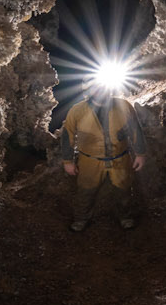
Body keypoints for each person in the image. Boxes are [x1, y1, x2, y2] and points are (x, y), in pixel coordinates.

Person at [61, 79, 146, 231]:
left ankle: (125, 217)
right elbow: (68, 136)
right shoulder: (77, 110)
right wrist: (68, 161)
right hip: (89, 161)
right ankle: (81, 219)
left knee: (124, 190)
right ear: (88, 91)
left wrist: (140, 153)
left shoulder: (123, 105)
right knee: (85, 192)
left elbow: (135, 129)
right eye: (95, 88)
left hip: (120, 158)